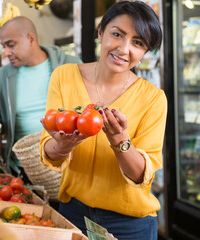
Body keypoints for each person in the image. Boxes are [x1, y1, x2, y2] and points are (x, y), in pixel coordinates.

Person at [39, 1, 166, 239]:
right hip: (73, 212)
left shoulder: (153, 98)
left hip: (129, 224)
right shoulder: (64, 76)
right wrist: (62, 146)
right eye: (117, 34)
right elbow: (49, 151)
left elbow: (141, 176)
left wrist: (119, 139)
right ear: (100, 32)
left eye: (138, 43)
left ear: (145, 52)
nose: (124, 49)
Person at [0, 16, 82, 178]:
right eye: (4, 47)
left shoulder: (71, 65)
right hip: (24, 168)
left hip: (68, 164)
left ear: (31, 39)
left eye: (11, 45)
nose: (7, 53)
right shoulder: (2, 77)